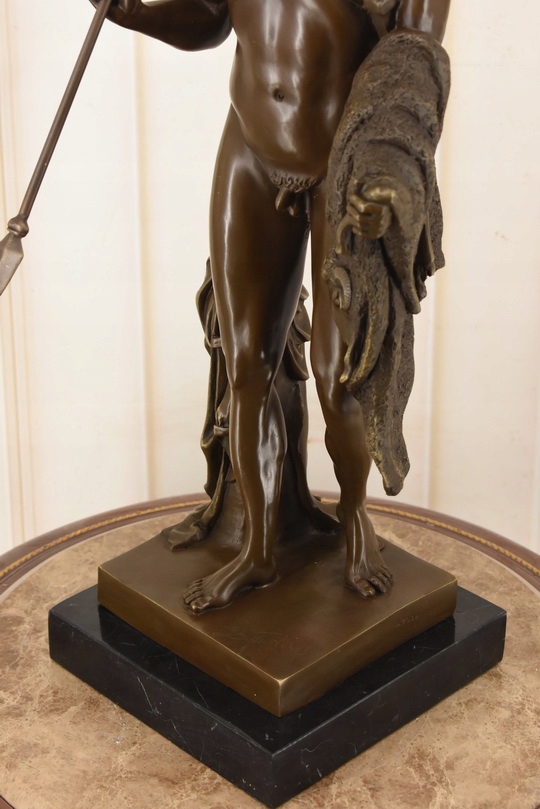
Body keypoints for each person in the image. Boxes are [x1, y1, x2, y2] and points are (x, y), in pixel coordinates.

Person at [90, 0, 451, 613]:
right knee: (247, 364)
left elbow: (415, 62)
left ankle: (355, 515)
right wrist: (134, 14)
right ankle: (257, 548)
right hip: (250, 149)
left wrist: (386, 176)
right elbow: (212, 18)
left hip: (344, 168)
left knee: (340, 381)